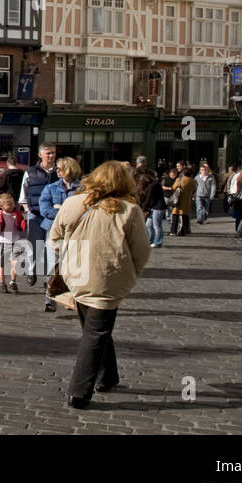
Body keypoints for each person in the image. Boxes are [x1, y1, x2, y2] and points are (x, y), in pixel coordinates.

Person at [48, 161, 151, 410]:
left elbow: (55, 236)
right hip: (107, 277)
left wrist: (72, 254)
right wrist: (129, 272)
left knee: (96, 327)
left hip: (78, 273)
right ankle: (79, 392)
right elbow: (141, 251)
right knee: (96, 331)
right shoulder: (129, 210)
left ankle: (108, 376)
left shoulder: (74, 202)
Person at [39, 156, 82, 311]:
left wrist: (59, 208)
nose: (57, 171)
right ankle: (49, 300)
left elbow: (85, 211)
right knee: (53, 266)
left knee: (73, 267)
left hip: (76, 233)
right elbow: (45, 210)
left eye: (60, 168)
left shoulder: (82, 189)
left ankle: (70, 298)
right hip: (54, 231)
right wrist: (66, 213)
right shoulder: (50, 188)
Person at [20, 145, 58, 286]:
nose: (51, 156)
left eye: (53, 153)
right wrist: (28, 210)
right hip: (35, 215)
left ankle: (49, 279)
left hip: (53, 216)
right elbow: (23, 194)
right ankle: (32, 270)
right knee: (34, 247)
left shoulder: (59, 172)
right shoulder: (31, 172)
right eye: (48, 153)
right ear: (40, 154)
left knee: (52, 248)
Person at [0, 193, 27, 294]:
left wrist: (24, 223)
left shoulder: (17, 214)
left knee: (16, 262)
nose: (11, 206)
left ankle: (12, 281)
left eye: (12, 204)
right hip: (2, 242)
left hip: (15, 241)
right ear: (1, 206)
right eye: (8, 204)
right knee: (2, 264)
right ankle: (2, 283)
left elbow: (21, 225)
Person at [138, 167, 165, 248]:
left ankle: (158, 241)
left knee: (156, 225)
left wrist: (143, 208)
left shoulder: (152, 186)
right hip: (154, 207)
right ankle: (151, 240)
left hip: (158, 207)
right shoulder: (155, 184)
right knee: (148, 225)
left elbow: (148, 198)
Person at [170, 167, 195, 236]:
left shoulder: (179, 179)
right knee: (185, 216)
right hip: (187, 199)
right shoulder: (193, 181)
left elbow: (173, 187)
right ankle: (184, 231)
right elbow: (193, 189)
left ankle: (173, 231)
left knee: (175, 215)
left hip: (178, 199)